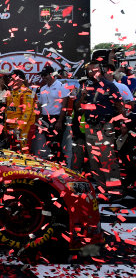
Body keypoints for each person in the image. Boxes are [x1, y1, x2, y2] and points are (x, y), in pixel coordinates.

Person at [76, 61, 124, 199]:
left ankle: (115, 190)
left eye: (95, 70)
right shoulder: (85, 87)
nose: (93, 73)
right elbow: (77, 109)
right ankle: (102, 188)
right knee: (94, 160)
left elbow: (119, 105)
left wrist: (122, 123)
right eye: (90, 71)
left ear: (101, 70)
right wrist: (83, 96)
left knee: (107, 159)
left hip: (105, 127)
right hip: (90, 127)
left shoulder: (110, 86)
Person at [33, 65, 70, 164]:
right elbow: (40, 105)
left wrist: (60, 121)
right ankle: (53, 164)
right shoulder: (43, 88)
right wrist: (39, 117)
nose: (43, 77)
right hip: (45, 118)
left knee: (57, 143)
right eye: (42, 76)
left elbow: (64, 105)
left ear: (51, 75)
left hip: (57, 117)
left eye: (45, 75)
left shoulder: (61, 86)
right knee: (48, 143)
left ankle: (61, 164)